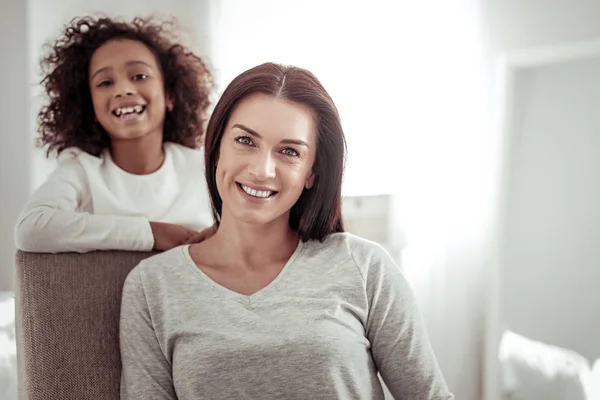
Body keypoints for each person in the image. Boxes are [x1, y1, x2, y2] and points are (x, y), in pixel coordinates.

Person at [119, 62, 454, 399]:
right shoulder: (152, 286)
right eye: (245, 140)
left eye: (289, 151)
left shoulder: (364, 267)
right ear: (217, 147)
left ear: (312, 173)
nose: (262, 170)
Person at [14, 16, 215, 254]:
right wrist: (150, 233)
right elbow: (30, 229)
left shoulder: (203, 167)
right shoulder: (82, 170)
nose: (123, 90)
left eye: (139, 76)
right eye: (105, 82)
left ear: (170, 94)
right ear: (90, 109)